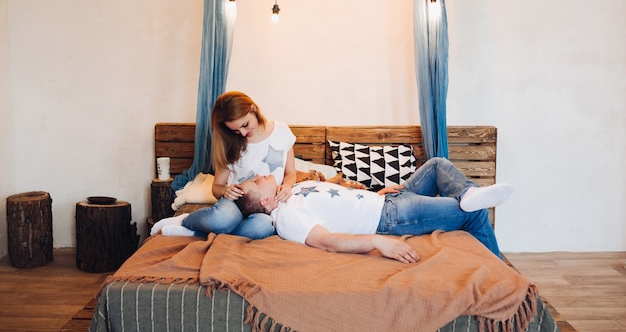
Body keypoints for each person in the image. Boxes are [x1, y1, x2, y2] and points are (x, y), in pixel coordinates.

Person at [236, 157, 513, 262]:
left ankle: (467, 193)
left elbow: (339, 201)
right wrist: (379, 242)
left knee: (437, 165)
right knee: (475, 213)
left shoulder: (291, 191)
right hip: (390, 218)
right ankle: (501, 277)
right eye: (256, 181)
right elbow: (328, 242)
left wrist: (373, 194)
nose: (261, 175)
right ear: (264, 202)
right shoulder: (286, 216)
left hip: (386, 200)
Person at [151, 91, 297, 239]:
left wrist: (287, 186)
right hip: (235, 202)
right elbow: (216, 188)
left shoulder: (281, 132)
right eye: (235, 130)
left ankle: (197, 233)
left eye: (245, 125)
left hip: (265, 203)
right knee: (222, 219)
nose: (242, 132)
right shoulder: (230, 143)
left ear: (253, 109)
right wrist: (226, 191)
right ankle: (185, 221)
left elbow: (290, 173)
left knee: (262, 227)